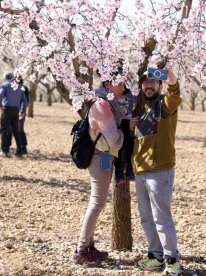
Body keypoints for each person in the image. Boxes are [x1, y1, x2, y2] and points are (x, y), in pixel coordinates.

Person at [131, 69, 183, 275]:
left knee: (162, 218)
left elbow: (174, 94)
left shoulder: (165, 105)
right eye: (145, 82)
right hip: (140, 169)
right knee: (146, 217)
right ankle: (156, 256)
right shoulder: (138, 106)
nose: (148, 85)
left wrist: (171, 78)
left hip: (160, 169)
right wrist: (131, 126)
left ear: (160, 85)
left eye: (152, 81)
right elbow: (140, 138)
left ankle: (173, 259)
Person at [72, 76, 125, 267]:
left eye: (124, 82)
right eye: (118, 82)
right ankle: (81, 249)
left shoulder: (108, 104)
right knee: (97, 203)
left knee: (97, 202)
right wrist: (125, 132)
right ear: (106, 84)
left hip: (103, 156)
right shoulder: (102, 105)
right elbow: (113, 139)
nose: (123, 86)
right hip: (100, 156)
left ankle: (89, 246)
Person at [0, 72, 28, 157]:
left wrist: (0, 105)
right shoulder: (20, 87)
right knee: (16, 131)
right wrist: (22, 111)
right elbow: (25, 101)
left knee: (4, 130)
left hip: (7, 110)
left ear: (5, 78)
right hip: (16, 110)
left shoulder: (5, 86)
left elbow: (0, 94)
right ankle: (20, 151)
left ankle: (5, 151)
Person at [113, 87, 135, 184]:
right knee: (117, 146)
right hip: (115, 121)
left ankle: (130, 168)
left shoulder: (131, 91)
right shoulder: (112, 91)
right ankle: (118, 172)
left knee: (129, 142)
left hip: (127, 121)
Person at [5, 76, 29, 155]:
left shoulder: (23, 88)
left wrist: (22, 111)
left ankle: (22, 148)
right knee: (11, 129)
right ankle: (8, 148)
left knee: (19, 130)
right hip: (14, 111)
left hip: (19, 112)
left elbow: (25, 101)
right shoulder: (12, 87)